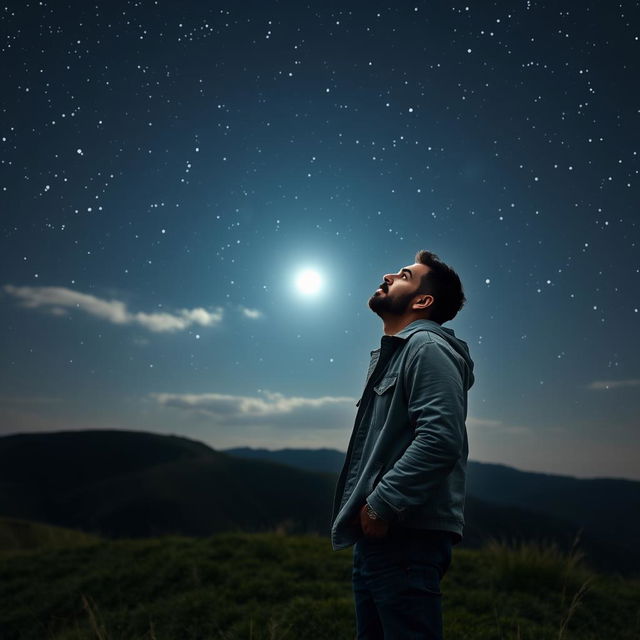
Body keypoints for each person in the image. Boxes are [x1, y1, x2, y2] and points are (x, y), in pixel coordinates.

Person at [330, 250, 475, 639]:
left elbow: (440, 438)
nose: (389, 274)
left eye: (405, 275)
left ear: (422, 300)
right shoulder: (400, 353)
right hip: (385, 536)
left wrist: (381, 504)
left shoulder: (426, 348)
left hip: (404, 534)